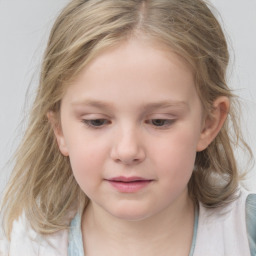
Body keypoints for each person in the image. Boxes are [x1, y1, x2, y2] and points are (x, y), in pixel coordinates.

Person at [0, 0, 255, 255]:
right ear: (59, 129)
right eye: (96, 121)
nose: (127, 150)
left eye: (159, 121)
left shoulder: (245, 233)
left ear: (208, 124)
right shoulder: (25, 243)